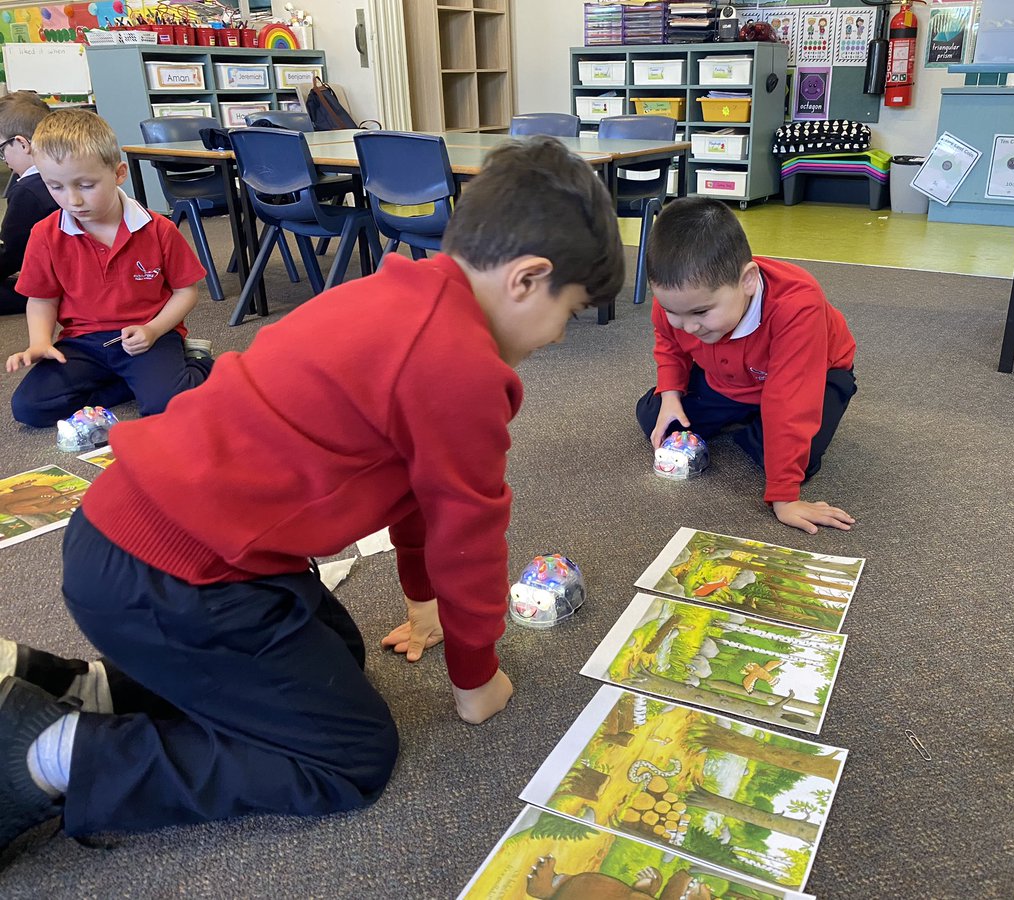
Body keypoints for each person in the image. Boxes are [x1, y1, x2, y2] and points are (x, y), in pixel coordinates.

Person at [0, 136, 624, 861]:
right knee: (350, 755)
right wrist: (475, 677)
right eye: (568, 313)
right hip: (168, 576)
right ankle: (53, 756)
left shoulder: (399, 294)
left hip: (139, 541)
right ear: (527, 278)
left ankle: (86, 690)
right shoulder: (463, 369)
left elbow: (418, 492)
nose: (555, 338)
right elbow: (468, 531)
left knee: (341, 652)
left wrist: (423, 605)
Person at [635, 197, 857, 534]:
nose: (687, 325)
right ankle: (753, 418)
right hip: (730, 376)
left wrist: (785, 499)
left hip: (813, 376)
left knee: (797, 457)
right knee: (655, 418)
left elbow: (791, 400)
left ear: (748, 280)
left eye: (700, 313)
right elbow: (668, 342)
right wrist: (670, 394)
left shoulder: (797, 307)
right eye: (672, 310)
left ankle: (759, 424)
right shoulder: (679, 297)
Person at [4, 109, 213, 428]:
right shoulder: (45, 234)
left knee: (165, 406)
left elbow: (186, 292)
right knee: (30, 408)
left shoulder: (158, 229)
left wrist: (154, 329)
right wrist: (40, 342)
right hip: (82, 342)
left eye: (85, 185)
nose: (72, 200)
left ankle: (198, 363)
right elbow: (42, 299)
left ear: (118, 174)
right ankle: (130, 385)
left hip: (148, 336)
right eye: (55, 187)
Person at [0, 93, 60, 316]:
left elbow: (11, 253)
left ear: (22, 144)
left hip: (55, 286)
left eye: (2, 150)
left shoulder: (27, 191)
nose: (4, 160)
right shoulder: (63, 175)